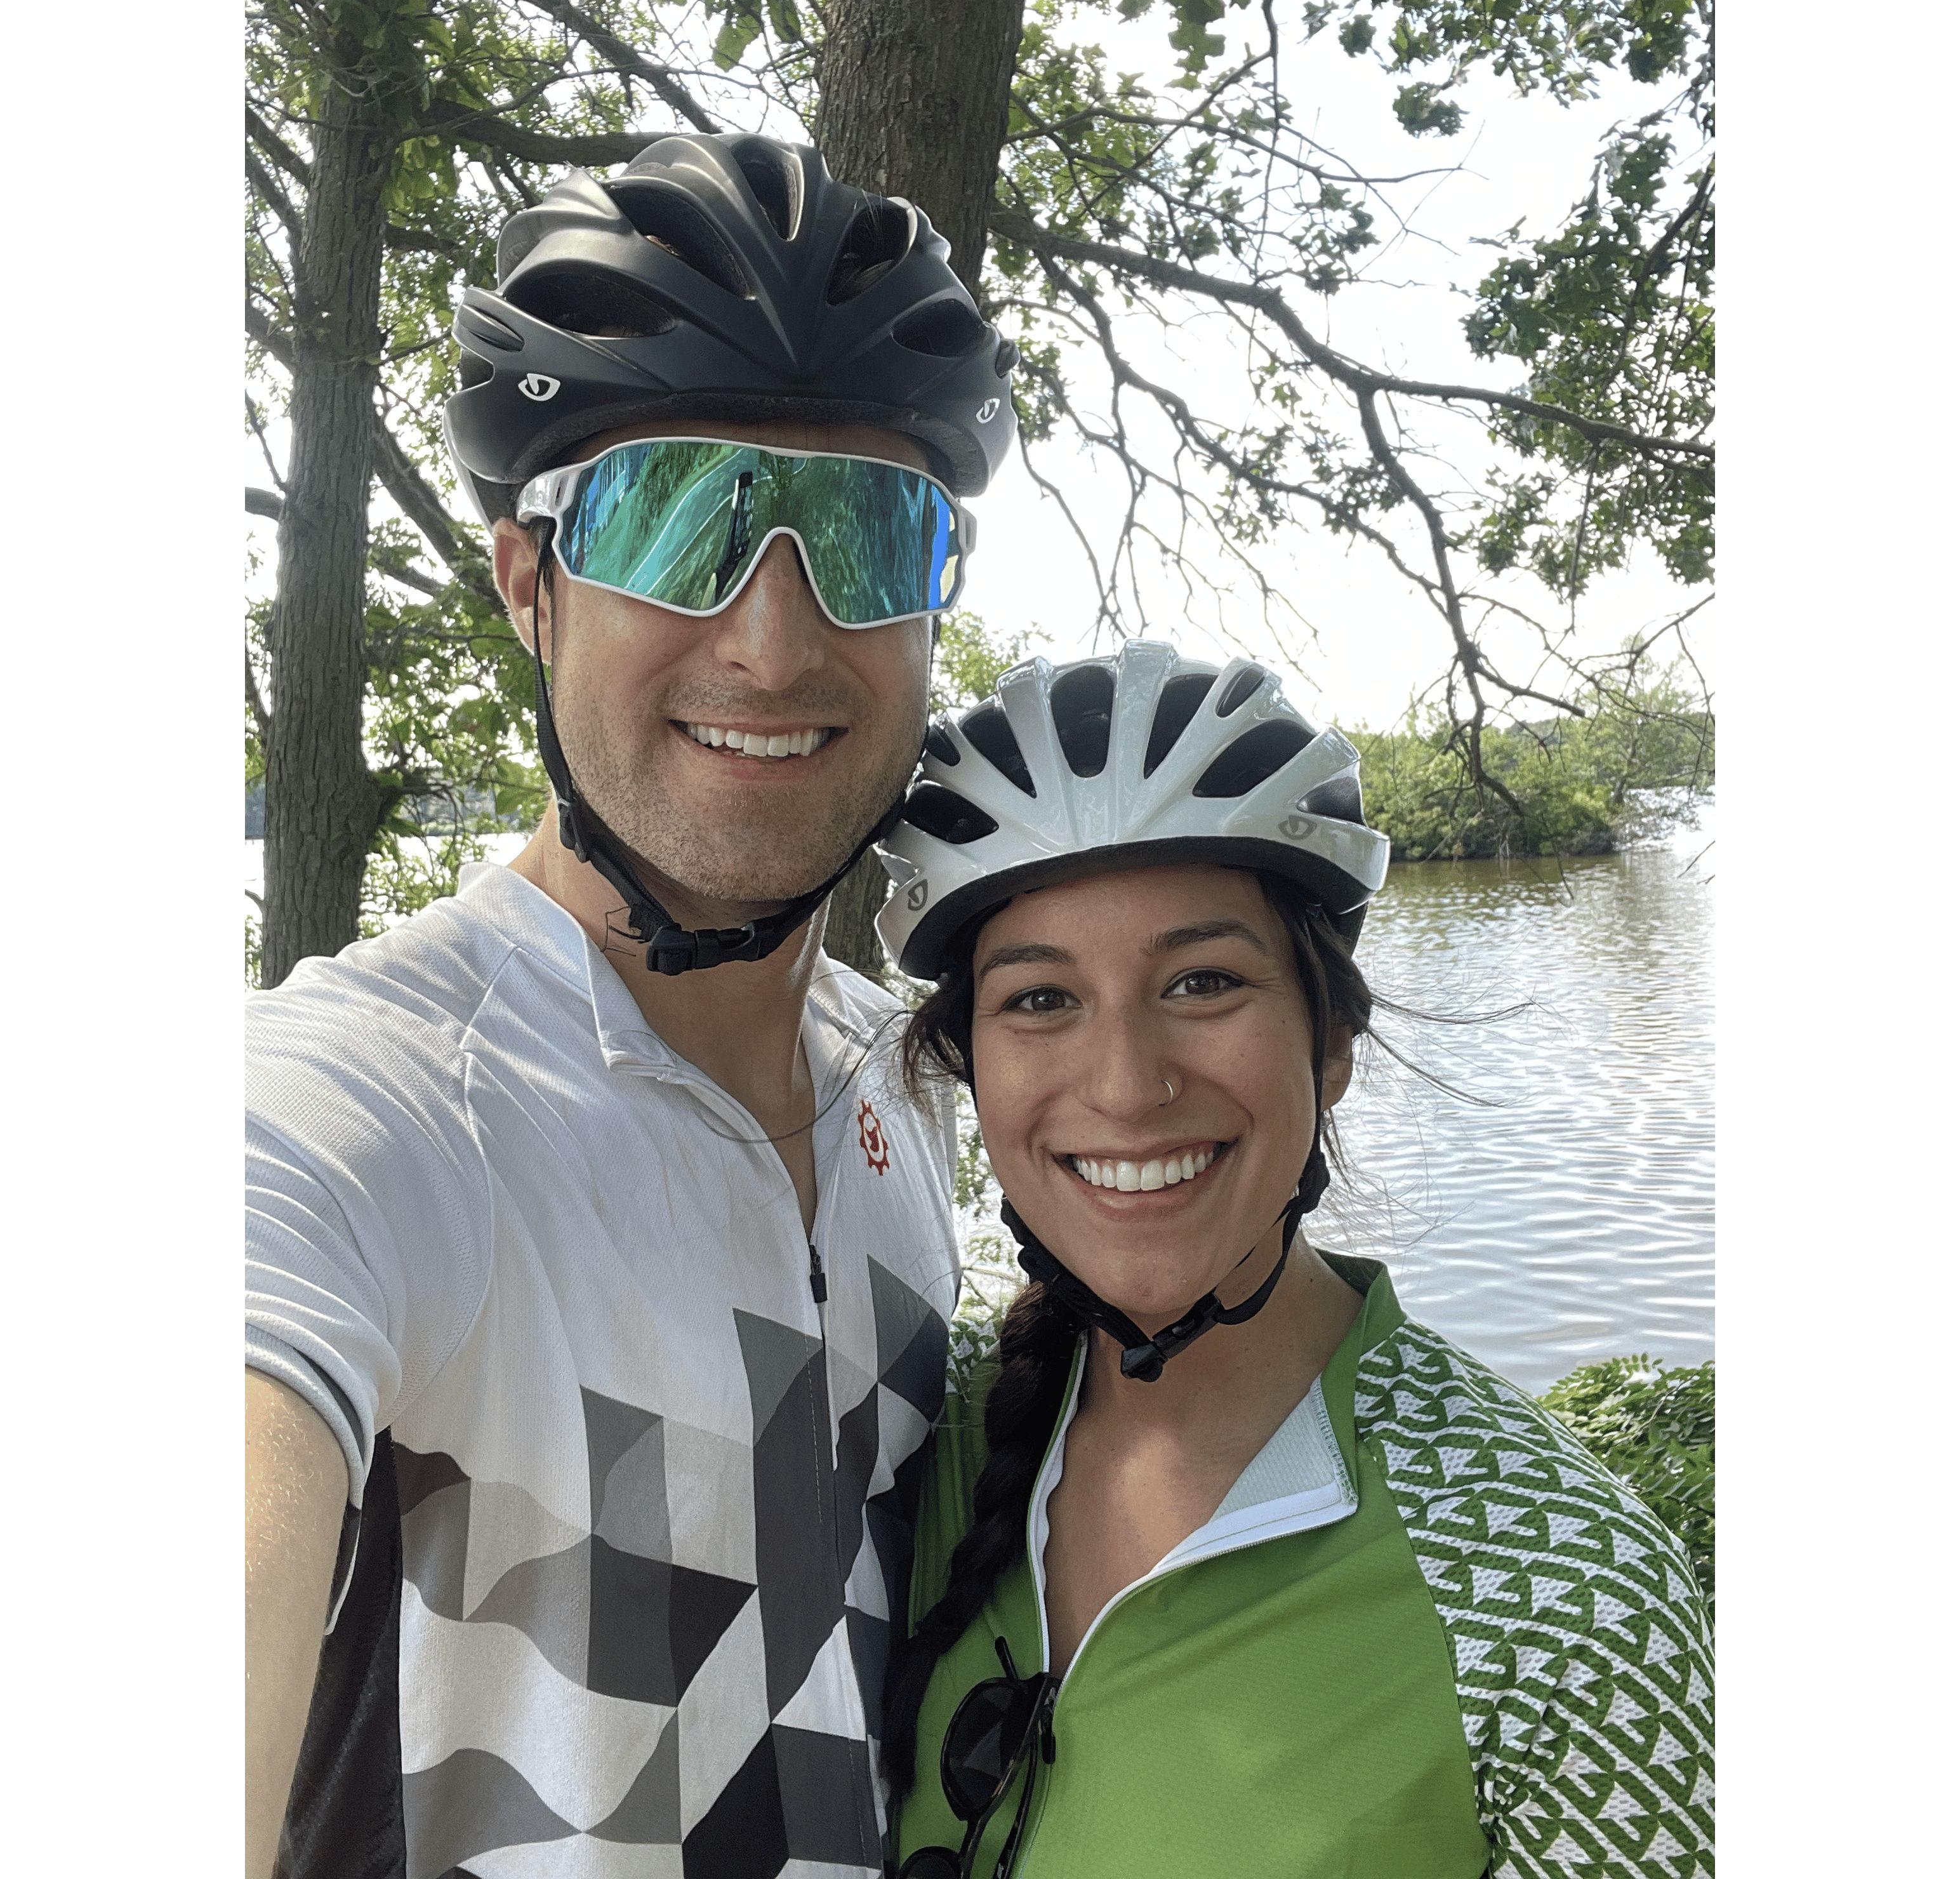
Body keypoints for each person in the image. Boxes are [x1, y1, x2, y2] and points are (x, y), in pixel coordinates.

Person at [244, 132, 1021, 1879]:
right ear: (530, 584)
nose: (772, 641)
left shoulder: (897, 1081)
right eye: (677, 522)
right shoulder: (356, 1114)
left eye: (867, 536)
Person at [873, 642, 1716, 1878]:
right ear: (969, 1066)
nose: (1126, 1084)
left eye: (1202, 980)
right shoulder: (902, 1431)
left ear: (1330, 1045)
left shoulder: (1561, 1596)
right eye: (1041, 999)